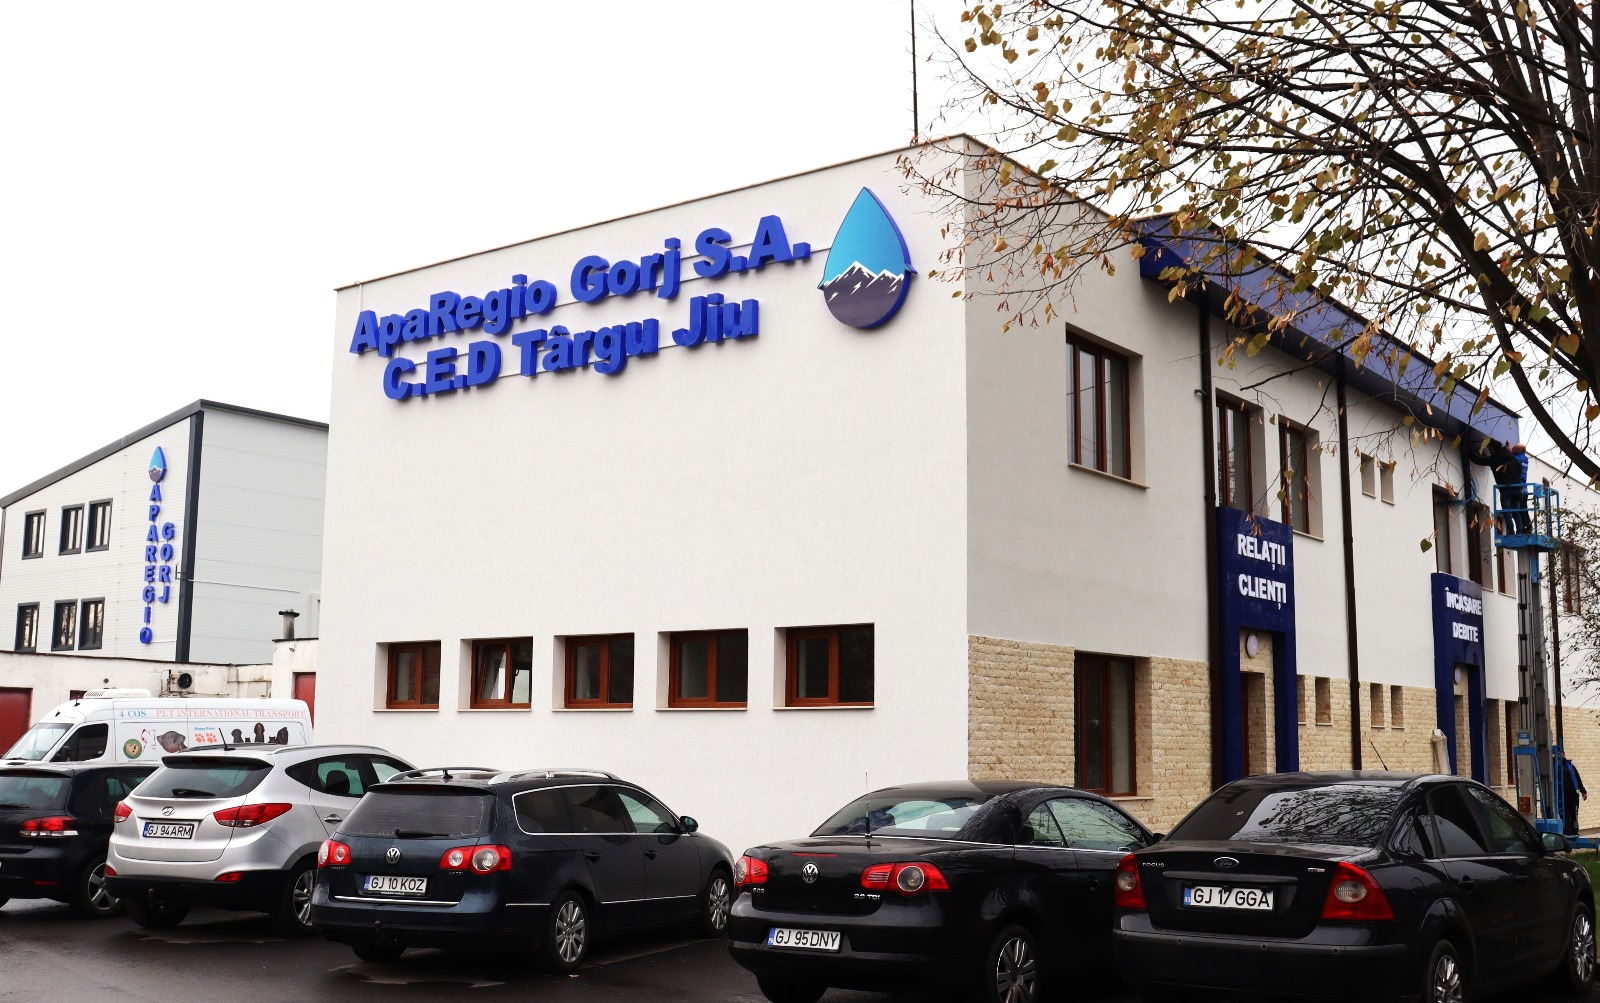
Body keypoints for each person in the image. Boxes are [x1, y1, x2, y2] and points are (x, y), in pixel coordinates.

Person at [1492, 442, 1531, 535]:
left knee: (1516, 511)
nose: (1512, 449)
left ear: (1519, 450)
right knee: (1521, 512)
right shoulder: (1525, 459)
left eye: (1514, 448)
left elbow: (1510, 457)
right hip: (1523, 490)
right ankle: (1524, 529)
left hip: (1517, 488)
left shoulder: (1516, 459)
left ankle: (1517, 530)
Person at [1562, 755, 1588, 836]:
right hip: (1562, 796)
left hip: (1573, 796)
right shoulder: (1554, 766)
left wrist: (1583, 791)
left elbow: (1577, 779)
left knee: (1573, 814)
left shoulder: (1570, 766)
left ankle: (1574, 831)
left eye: (1561, 753)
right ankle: (1568, 832)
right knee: (1565, 815)